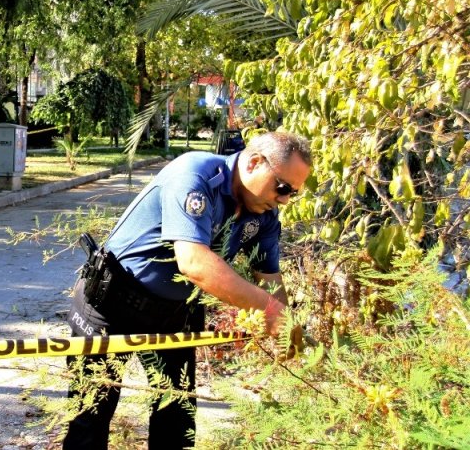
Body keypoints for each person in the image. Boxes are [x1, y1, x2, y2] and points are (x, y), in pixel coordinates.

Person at [63, 131, 312, 449]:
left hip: (174, 314)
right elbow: (194, 262)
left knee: (176, 419)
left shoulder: (263, 215)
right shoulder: (195, 175)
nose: (286, 199)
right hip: (110, 304)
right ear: (253, 163)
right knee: (91, 416)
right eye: (282, 187)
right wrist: (270, 311)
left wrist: (286, 325)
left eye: (293, 193)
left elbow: (269, 279)